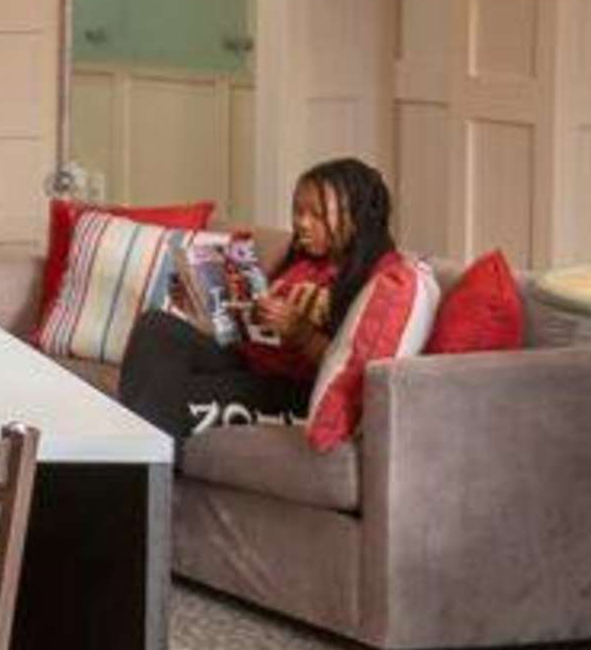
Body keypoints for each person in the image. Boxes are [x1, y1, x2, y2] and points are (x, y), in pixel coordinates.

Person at [112, 158, 395, 440]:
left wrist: (302, 333)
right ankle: (143, 470)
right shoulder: (300, 262)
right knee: (156, 328)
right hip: (249, 364)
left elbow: (350, 369)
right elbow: (247, 332)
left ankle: (143, 476)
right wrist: (200, 305)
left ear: (357, 218)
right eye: (297, 211)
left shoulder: (374, 279)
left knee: (162, 396)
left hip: (294, 390)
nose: (302, 223)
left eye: (318, 215)